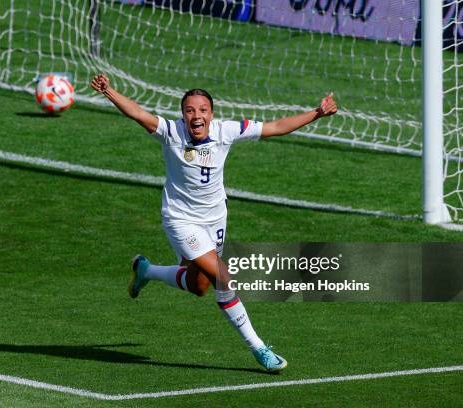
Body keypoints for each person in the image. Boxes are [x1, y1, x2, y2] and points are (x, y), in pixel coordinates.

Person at [90, 74, 337, 372]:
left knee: (198, 286)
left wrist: (317, 113)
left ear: (212, 114)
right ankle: (259, 349)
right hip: (181, 220)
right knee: (224, 277)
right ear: (183, 115)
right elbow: (138, 113)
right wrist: (110, 92)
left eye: (202, 110)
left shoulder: (226, 131)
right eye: (190, 110)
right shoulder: (171, 132)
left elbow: (274, 127)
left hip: (215, 219)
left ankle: (147, 270)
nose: (196, 115)